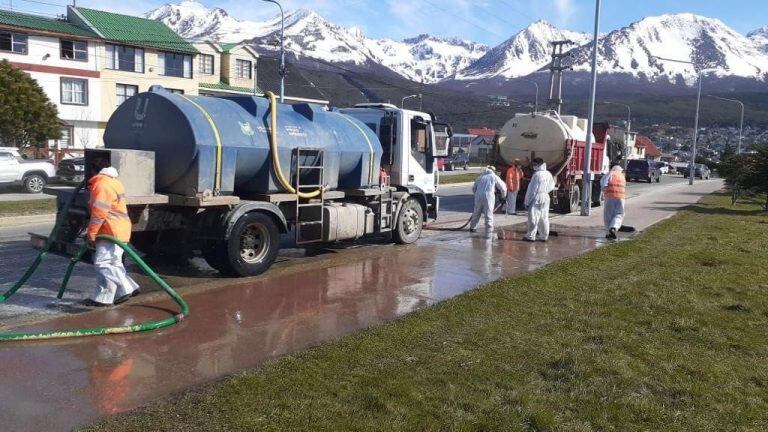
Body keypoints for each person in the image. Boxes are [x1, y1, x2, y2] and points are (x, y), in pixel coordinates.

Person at [83, 160, 140, 307]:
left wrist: (91, 233)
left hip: (110, 231)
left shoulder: (102, 185)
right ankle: (103, 298)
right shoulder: (114, 182)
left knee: (102, 263)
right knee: (114, 264)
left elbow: (99, 213)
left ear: (93, 171)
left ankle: (127, 288)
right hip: (119, 229)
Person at [523, 157, 555, 242]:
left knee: (533, 217)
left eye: (534, 165)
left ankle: (530, 236)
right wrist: (545, 191)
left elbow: (532, 190)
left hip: (537, 197)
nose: (533, 166)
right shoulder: (548, 173)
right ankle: (544, 236)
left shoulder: (537, 175)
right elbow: (552, 186)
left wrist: (527, 201)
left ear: (539, 164)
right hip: (546, 196)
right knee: (544, 217)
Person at [469, 166, 507, 235]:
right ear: (493, 171)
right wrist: (503, 196)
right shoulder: (493, 176)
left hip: (478, 195)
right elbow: (503, 187)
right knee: (488, 213)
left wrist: (477, 194)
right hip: (488, 196)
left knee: (476, 212)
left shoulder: (481, 177)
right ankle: (489, 230)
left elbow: (474, 188)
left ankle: (472, 227)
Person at [601, 161, 626, 239]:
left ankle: (608, 233)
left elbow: (603, 182)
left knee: (608, 215)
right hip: (621, 198)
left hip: (610, 197)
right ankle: (614, 227)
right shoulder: (622, 175)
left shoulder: (611, 173)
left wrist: (604, 191)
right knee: (619, 214)